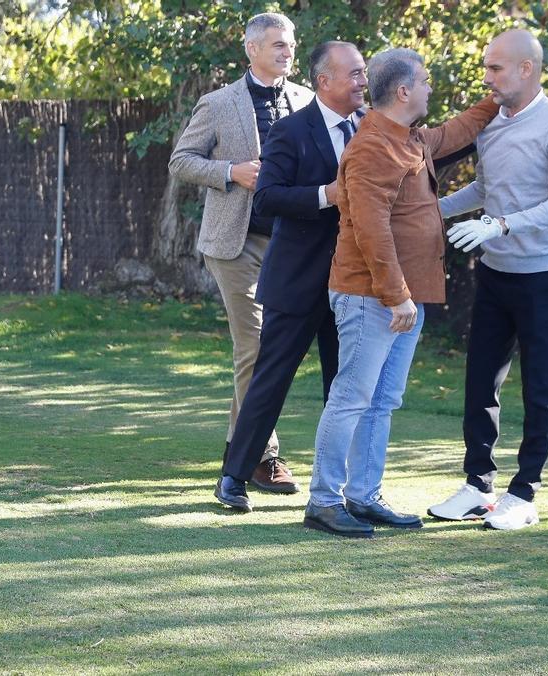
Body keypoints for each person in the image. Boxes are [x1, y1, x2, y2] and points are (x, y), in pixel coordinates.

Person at [303, 48, 499, 538]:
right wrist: (395, 296)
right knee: (351, 397)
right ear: (404, 90)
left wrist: (496, 100)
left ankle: (363, 497)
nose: (431, 89)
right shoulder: (372, 147)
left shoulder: (409, 137)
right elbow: (371, 230)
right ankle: (324, 502)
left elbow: (454, 132)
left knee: (381, 401)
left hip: (401, 297)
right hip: (373, 296)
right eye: (426, 81)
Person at [428, 29, 548, 530]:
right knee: (480, 383)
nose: (487, 77)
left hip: (545, 275)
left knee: (540, 387)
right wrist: (429, 211)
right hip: (496, 273)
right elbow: (485, 187)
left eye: (495, 68)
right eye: (487, 67)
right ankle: (478, 485)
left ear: (526, 69)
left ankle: (525, 493)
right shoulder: (490, 123)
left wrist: (500, 224)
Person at [213, 41, 367, 512]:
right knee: (271, 378)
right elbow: (268, 198)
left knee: (344, 384)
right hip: (298, 278)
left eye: (364, 73)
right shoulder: (290, 130)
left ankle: (341, 487)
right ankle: (234, 478)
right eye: (356, 74)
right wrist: (327, 194)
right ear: (325, 81)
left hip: (353, 281)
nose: (364, 81)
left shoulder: (373, 127)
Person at [170, 12, 314, 494]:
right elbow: (181, 162)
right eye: (277, 44)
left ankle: (239, 449)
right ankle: (262, 456)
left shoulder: (308, 102)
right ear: (252, 49)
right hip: (235, 243)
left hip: (292, 245)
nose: (288, 52)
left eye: (291, 44)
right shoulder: (218, 102)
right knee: (254, 344)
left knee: (266, 349)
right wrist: (232, 170)